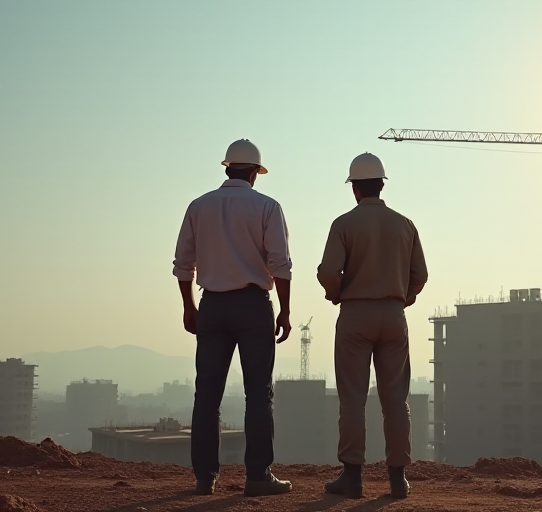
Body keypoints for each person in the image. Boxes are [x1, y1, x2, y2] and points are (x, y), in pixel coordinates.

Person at [172, 139, 294, 497]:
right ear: (256, 172)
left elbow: (183, 265)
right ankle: (258, 475)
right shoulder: (267, 207)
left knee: (206, 393)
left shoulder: (199, 206)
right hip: (253, 305)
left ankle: (204, 477)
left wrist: (188, 306)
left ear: (227, 168)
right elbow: (280, 264)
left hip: (212, 305)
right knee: (258, 393)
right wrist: (285, 310)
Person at [317, 152, 428, 499]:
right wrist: (402, 299)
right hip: (394, 317)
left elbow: (327, 273)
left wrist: (337, 294)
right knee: (396, 400)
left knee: (352, 400)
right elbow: (420, 275)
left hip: (355, 316)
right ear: (381, 185)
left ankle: (352, 477)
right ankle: (398, 478)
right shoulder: (405, 224)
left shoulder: (343, 224)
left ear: (355, 189)